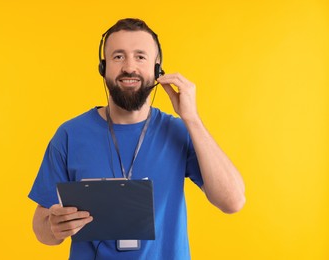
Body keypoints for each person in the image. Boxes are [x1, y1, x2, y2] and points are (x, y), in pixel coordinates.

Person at [29, 18, 245, 259]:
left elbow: (233, 201)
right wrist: (54, 227)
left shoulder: (179, 131)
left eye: (140, 56)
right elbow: (41, 229)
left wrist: (191, 118)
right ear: (103, 67)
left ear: (157, 69)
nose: (129, 67)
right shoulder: (69, 134)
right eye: (118, 56)